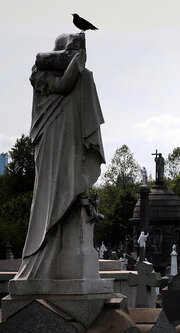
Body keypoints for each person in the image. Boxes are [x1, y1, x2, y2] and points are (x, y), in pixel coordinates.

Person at [14, 33, 105, 280]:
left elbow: (74, 83)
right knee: (50, 191)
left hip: (69, 138)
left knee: (68, 182)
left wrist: (78, 61)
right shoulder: (42, 74)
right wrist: (77, 60)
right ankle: (42, 251)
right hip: (51, 137)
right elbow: (63, 85)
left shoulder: (81, 77)